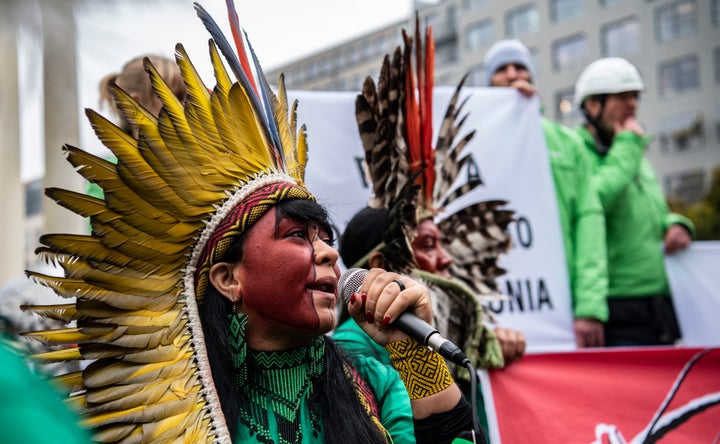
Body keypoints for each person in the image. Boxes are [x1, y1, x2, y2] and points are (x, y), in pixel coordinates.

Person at [19, 3, 477, 443]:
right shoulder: (173, 409)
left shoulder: (373, 382)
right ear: (227, 277)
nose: (329, 252)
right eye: (298, 235)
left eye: (326, 237)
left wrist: (419, 360)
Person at [333, 21, 524, 442]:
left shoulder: (445, 337)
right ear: (381, 264)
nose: (447, 260)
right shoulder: (352, 356)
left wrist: (496, 346)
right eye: (431, 245)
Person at [483, 39, 609, 348]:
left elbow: (589, 222)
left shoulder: (566, 143)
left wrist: (590, 306)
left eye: (520, 67)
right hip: (494, 312)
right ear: (488, 83)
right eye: (502, 69)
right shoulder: (473, 140)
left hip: (559, 306)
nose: (513, 74)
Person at [573, 57, 694, 346]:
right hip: (618, 307)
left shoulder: (629, 151)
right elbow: (594, 202)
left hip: (660, 304)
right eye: (622, 97)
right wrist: (628, 146)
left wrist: (677, 224)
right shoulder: (580, 151)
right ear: (593, 105)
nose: (632, 105)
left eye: (635, 96)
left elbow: (654, 211)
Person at [86, 54, 186, 204]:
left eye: (188, 96)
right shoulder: (105, 177)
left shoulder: (204, 157)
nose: (186, 105)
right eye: (176, 97)